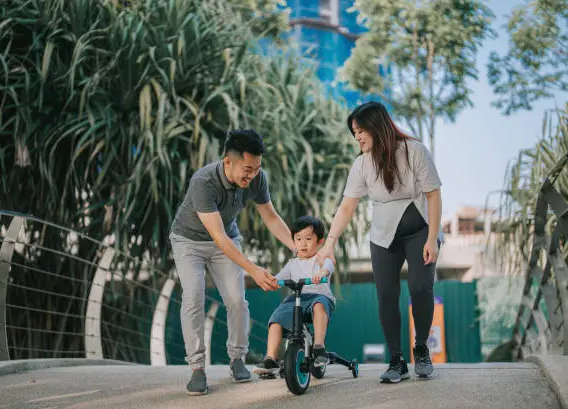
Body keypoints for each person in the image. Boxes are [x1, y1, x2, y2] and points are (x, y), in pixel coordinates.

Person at [316, 101, 442, 383]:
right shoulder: (362, 164)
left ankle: (421, 348)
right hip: (384, 237)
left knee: (421, 287)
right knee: (386, 295)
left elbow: (433, 195)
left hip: (421, 230)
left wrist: (432, 238)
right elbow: (346, 207)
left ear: (377, 126)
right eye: (354, 132)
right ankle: (396, 361)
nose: (357, 137)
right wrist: (329, 243)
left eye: (361, 131)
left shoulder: (414, 151)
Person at [169, 129, 297, 395]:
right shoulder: (203, 181)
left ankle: (238, 358)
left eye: (257, 168)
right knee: (194, 297)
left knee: (237, 300)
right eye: (247, 169)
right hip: (188, 241)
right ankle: (196, 369)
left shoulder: (257, 179)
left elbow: (271, 218)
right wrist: (254, 270)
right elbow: (219, 239)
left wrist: (299, 248)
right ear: (228, 162)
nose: (252, 175)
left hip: (227, 236)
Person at [253, 216, 335, 377]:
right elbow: (280, 276)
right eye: (298, 239)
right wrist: (273, 281)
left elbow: (328, 267)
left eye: (308, 239)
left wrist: (321, 273)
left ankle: (319, 347)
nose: (303, 244)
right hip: (296, 298)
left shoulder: (322, 259)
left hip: (319, 295)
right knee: (276, 320)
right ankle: (271, 358)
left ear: (320, 241)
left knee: (319, 305)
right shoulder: (292, 264)